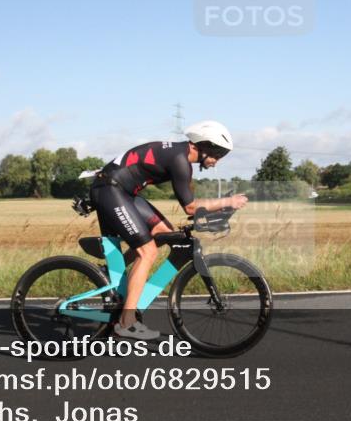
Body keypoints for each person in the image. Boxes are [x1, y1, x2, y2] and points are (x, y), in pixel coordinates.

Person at [90, 120, 248, 340]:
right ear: (204, 147)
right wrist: (227, 201)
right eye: (217, 156)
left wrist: (217, 209)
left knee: (165, 232)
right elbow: (191, 207)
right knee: (148, 252)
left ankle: (113, 273)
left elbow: (192, 208)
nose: (216, 162)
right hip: (109, 189)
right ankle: (126, 322)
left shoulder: (180, 155)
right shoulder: (180, 160)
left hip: (123, 191)